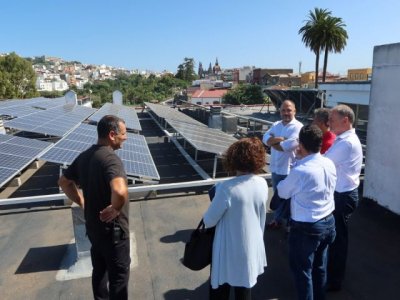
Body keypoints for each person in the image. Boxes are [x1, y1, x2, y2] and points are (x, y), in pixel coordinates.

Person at [58, 115, 130, 300]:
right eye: (124, 133)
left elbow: (64, 182)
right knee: (119, 278)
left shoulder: (84, 156)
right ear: (112, 134)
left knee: (99, 270)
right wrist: (116, 207)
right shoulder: (111, 160)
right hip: (113, 233)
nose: (126, 137)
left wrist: (82, 202)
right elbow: (120, 191)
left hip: (94, 229)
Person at [203, 137, 268, 300]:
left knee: (220, 290)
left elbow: (209, 220)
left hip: (228, 250)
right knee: (244, 288)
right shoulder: (262, 183)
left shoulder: (226, 188)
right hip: (251, 246)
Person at [277, 125, 337, 300]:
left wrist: (295, 163)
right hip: (328, 222)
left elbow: (282, 192)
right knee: (319, 267)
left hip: (306, 228)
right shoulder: (329, 162)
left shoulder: (301, 171)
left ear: (301, 145)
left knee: (303, 272)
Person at [325, 104, 363, 291]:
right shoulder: (343, 139)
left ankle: (334, 280)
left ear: (345, 120)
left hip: (342, 195)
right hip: (344, 193)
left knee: (338, 239)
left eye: (332, 119)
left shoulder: (346, 143)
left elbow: (324, 162)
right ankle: (333, 276)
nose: (328, 123)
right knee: (337, 237)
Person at [262, 100, 303, 228]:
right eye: (283, 110)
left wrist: (273, 143)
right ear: (280, 111)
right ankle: (277, 219)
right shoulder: (276, 124)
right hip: (275, 169)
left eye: (289, 110)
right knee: (277, 197)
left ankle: (291, 225)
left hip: (289, 170)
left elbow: (288, 147)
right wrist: (279, 140)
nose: (286, 113)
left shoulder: (298, 127)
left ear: (294, 111)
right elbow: (265, 138)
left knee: (290, 199)